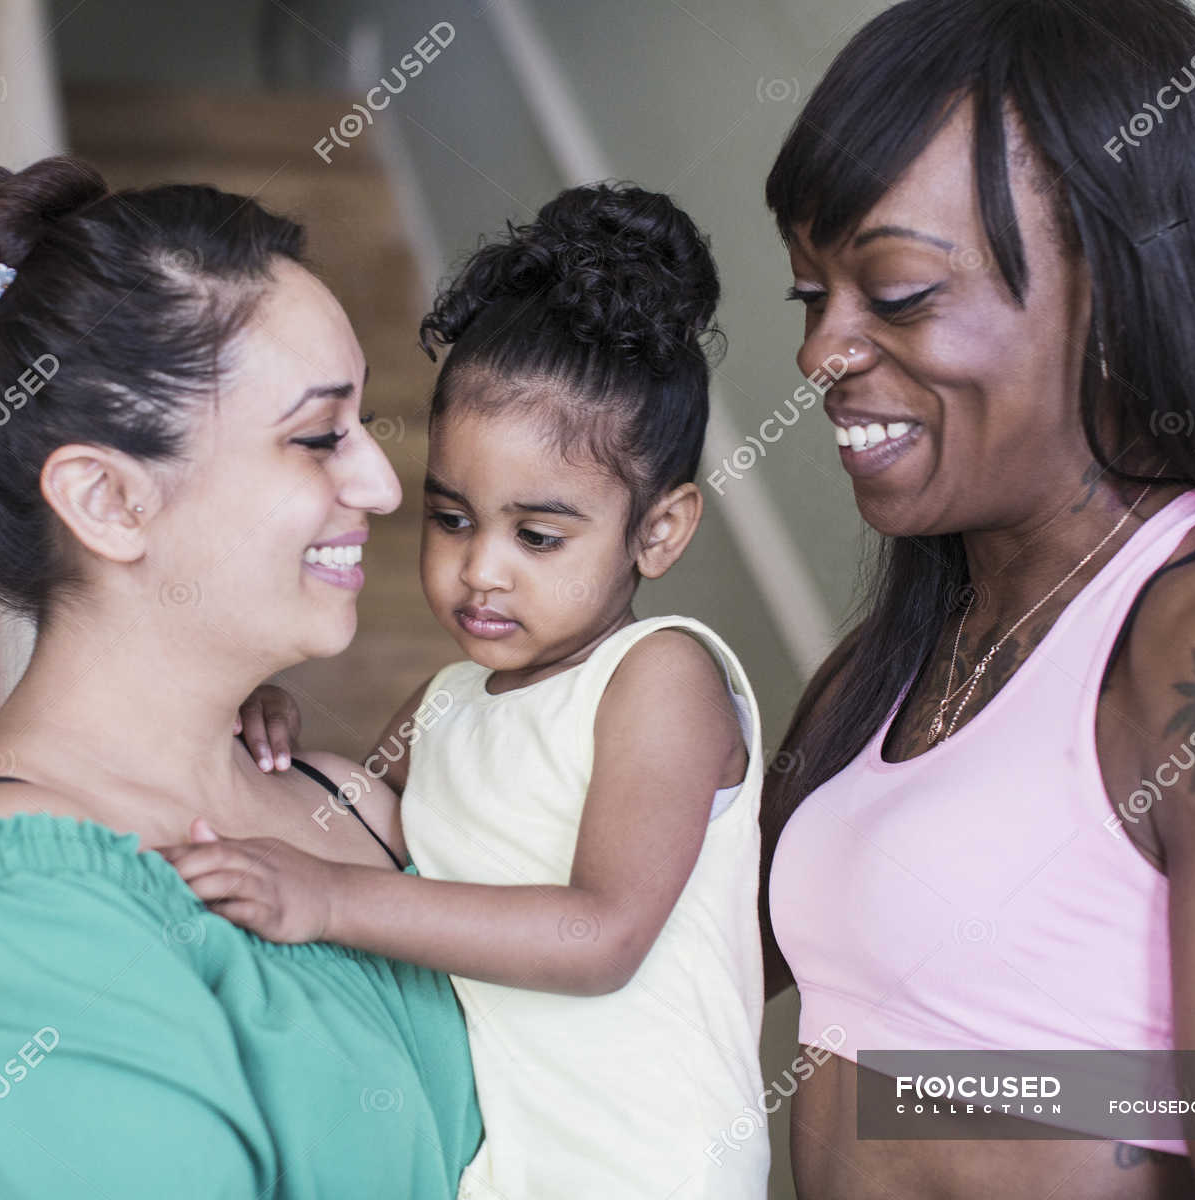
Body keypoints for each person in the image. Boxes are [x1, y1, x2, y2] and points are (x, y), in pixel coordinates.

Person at [759, 1, 1195, 1197]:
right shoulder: (896, 663)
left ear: (1116, 286)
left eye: (894, 294)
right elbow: (641, 941)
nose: (820, 356)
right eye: (809, 297)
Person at [0, 155, 481, 1197]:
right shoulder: (4, 926)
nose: (377, 480)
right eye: (318, 436)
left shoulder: (353, 804)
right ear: (108, 501)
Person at [183, 184, 770, 1199]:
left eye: (538, 537)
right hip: (508, 1161)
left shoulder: (660, 677)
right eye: (452, 520)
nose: (481, 570)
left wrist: (326, 900)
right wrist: (258, 725)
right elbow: (360, 818)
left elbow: (601, 935)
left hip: (650, 1166)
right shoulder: (449, 700)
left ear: (661, 531)